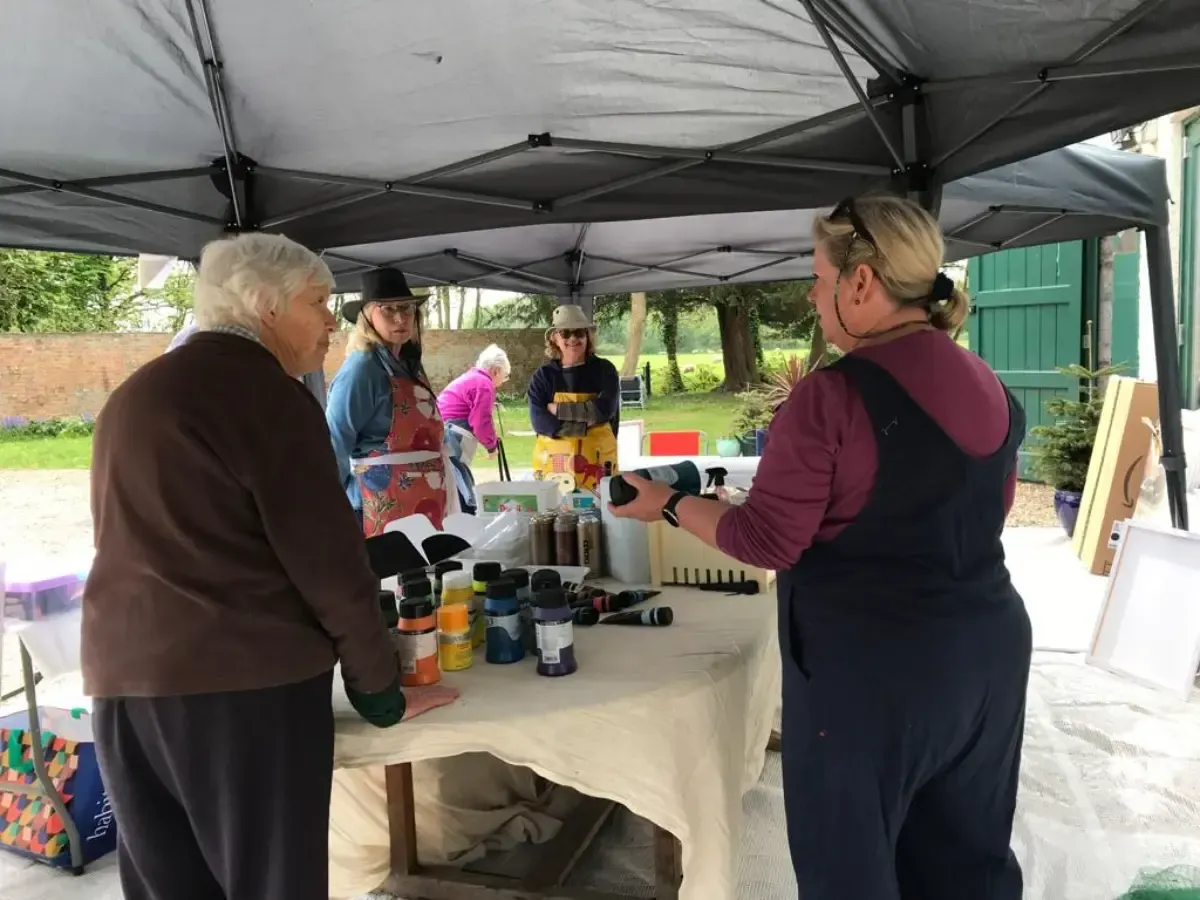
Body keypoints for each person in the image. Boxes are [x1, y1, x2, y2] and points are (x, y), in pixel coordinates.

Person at [610, 195, 1032, 900]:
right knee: (966, 865)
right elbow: (986, 506)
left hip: (873, 677)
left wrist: (670, 504)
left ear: (859, 284)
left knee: (851, 873)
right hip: (987, 659)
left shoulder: (830, 396)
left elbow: (766, 538)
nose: (813, 292)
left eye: (817, 273)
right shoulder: (987, 380)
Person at [82, 233, 449, 900]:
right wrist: (379, 690)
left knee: (171, 885)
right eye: (319, 302)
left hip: (124, 684)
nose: (333, 322)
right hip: (240, 692)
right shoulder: (267, 397)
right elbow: (331, 566)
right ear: (265, 306)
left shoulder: (136, 394)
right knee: (270, 882)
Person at [327, 268, 453, 534]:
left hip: (428, 500)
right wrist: (334, 511)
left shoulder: (408, 365)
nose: (400, 318)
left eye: (406, 308)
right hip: (384, 504)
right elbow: (335, 443)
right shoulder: (361, 370)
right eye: (387, 309)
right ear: (366, 316)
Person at [528, 304, 621, 492]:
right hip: (554, 467)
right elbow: (540, 422)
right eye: (566, 333)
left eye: (579, 333)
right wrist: (586, 424)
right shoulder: (543, 376)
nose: (573, 338)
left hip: (599, 463)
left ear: (587, 336)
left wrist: (559, 410)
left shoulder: (604, 370)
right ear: (555, 338)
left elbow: (603, 411)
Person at [437, 344, 511, 513]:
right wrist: (492, 446)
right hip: (453, 433)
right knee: (462, 486)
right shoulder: (484, 384)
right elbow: (481, 421)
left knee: (454, 480)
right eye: (505, 376)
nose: (502, 382)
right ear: (495, 370)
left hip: (443, 428)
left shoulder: (472, 378)